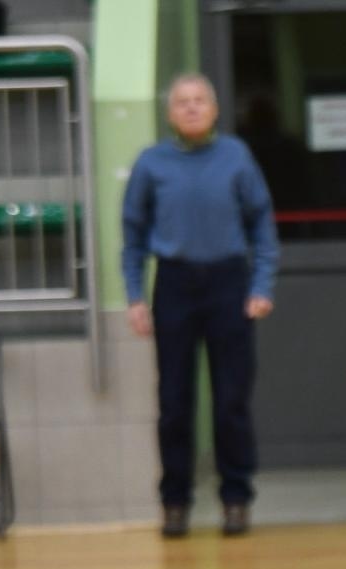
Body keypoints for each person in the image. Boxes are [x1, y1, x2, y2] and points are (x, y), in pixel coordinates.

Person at [122, 73, 278, 538]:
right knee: (174, 402)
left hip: (229, 282)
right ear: (170, 113)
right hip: (174, 284)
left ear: (214, 110)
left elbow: (263, 226)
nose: (191, 108)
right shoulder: (151, 163)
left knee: (231, 398)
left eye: (200, 101)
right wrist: (134, 296)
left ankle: (235, 498)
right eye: (182, 102)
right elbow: (132, 237)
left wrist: (262, 285)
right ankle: (175, 501)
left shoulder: (237, 157)